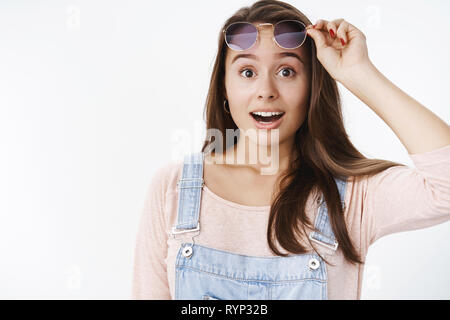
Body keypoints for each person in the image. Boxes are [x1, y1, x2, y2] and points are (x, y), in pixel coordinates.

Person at [132, 0, 450, 299]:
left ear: (312, 87)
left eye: (287, 71)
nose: (266, 92)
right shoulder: (173, 188)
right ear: (224, 86)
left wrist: (358, 74)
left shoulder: (352, 197)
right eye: (247, 72)